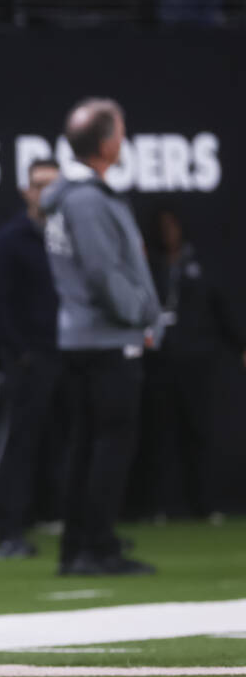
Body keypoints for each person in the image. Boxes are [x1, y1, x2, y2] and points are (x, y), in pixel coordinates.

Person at [41, 97, 161, 577]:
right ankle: (95, 547)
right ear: (107, 142)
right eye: (122, 131)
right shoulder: (87, 199)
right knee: (107, 446)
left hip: (85, 338)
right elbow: (102, 272)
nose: (125, 139)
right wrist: (140, 316)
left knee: (90, 445)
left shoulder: (76, 195)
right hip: (106, 339)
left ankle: (80, 546)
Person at [134, 206, 246, 522]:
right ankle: (156, 506)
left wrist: (240, 345)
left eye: (172, 225)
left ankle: (205, 504)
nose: (168, 232)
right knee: (157, 436)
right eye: (162, 226)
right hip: (159, 362)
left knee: (198, 433)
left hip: (196, 361)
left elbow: (222, 309)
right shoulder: (149, 267)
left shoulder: (200, 264)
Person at [0, 158, 64, 560]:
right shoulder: (10, 239)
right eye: (39, 184)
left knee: (74, 443)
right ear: (26, 191)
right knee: (23, 445)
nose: (45, 192)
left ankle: (80, 528)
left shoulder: (71, 237)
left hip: (73, 356)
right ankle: (9, 531)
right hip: (31, 359)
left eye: (53, 184)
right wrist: (23, 352)